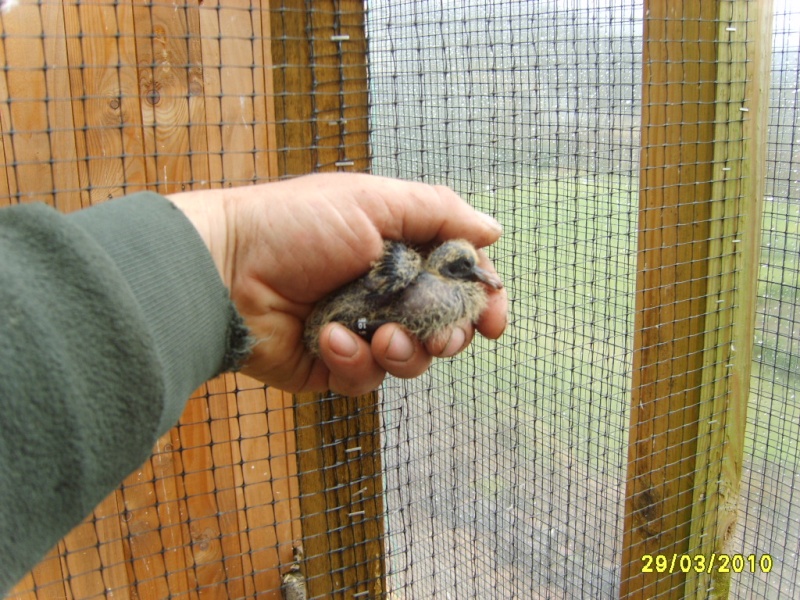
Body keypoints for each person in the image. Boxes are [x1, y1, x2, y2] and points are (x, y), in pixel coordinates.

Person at [0, 173, 506, 594]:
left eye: (470, 270)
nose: (476, 277)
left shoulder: (440, 285)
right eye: (465, 269)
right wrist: (231, 253)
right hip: (346, 314)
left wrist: (234, 255)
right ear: (444, 265)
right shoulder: (408, 269)